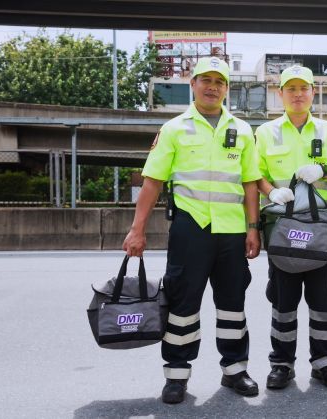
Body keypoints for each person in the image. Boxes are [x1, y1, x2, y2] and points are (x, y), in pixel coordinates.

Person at [122, 57, 262, 404]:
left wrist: (253, 228)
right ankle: (176, 375)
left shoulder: (243, 130)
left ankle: (235, 370)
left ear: (227, 88)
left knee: (233, 303)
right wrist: (137, 230)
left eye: (219, 81)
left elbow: (250, 184)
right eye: (206, 80)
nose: (212, 87)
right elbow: (152, 182)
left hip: (232, 230)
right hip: (190, 227)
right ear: (193, 84)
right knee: (182, 302)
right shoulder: (174, 129)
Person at [255, 65, 327, 390]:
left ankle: (325, 364)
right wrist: (271, 191)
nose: (297, 94)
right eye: (291, 89)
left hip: (321, 231)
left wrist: (323, 169)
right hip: (281, 230)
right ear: (280, 94)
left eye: (303, 88)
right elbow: (254, 174)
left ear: (313, 92)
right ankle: (281, 364)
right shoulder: (266, 133)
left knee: (322, 301)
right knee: (283, 302)